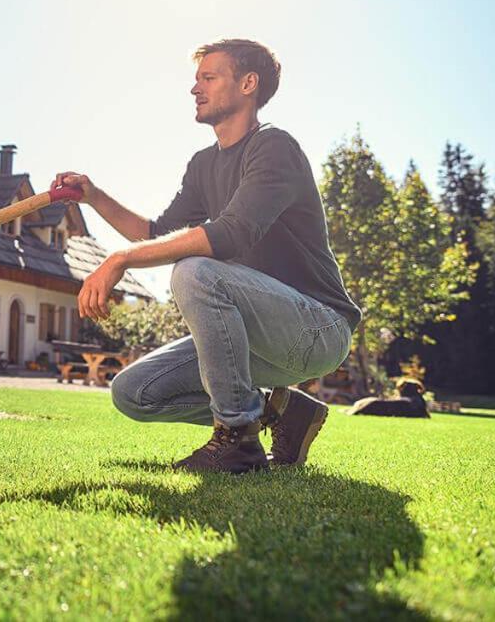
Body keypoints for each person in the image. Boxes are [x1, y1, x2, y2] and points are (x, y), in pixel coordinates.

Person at [54, 39, 360, 473]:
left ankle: (236, 438)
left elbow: (231, 234)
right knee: (134, 392)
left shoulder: (274, 148)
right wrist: (94, 196)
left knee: (195, 272)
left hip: (317, 327)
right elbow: (158, 234)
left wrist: (120, 260)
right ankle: (277, 412)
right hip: (257, 337)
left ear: (248, 83)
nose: (194, 89)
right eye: (196, 79)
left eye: (208, 78)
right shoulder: (202, 165)